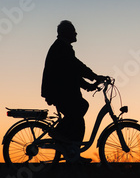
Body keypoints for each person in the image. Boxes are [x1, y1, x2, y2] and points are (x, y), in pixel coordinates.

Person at [41, 20, 106, 150]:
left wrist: (89, 84)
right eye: (73, 31)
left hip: (63, 91)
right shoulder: (61, 48)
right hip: (59, 91)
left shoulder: (62, 47)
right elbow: (76, 67)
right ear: (67, 33)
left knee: (78, 117)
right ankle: (57, 132)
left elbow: (72, 73)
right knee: (79, 109)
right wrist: (94, 77)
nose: (76, 33)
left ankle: (73, 152)